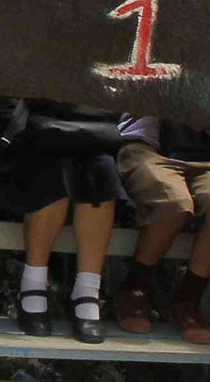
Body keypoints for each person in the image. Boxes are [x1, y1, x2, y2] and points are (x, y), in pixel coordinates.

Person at [110, 119, 210, 343]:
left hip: (204, 153)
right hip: (147, 147)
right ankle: (134, 289)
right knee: (174, 201)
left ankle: (189, 300)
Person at [7, 108, 124, 343]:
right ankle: (32, 286)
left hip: (92, 136)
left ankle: (87, 292)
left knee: (101, 169)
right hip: (37, 138)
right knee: (51, 174)